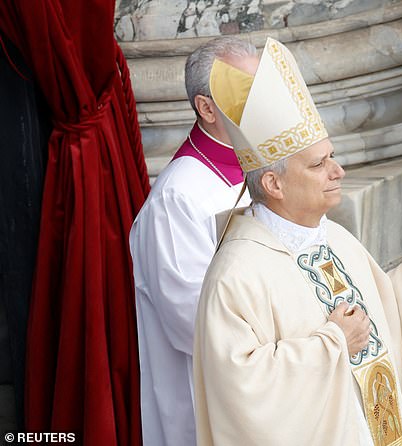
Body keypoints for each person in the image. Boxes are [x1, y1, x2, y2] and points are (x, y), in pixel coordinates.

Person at [193, 37, 402, 445]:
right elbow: (241, 394)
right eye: (319, 164)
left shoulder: (336, 239)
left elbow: (388, 320)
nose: (338, 171)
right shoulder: (235, 275)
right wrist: (332, 345)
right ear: (273, 183)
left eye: (332, 156)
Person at [128, 36, 257, 446]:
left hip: (272, 377)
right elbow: (194, 323)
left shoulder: (264, 166)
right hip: (210, 400)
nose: (265, 104)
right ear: (206, 108)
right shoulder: (176, 198)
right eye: (248, 92)